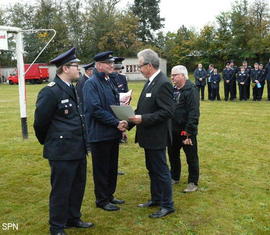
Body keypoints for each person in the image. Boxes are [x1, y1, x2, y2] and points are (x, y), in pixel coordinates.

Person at [33, 48, 93, 235]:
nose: (79, 69)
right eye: (76, 66)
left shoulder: (72, 88)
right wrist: (51, 143)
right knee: (61, 190)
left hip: (78, 148)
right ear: (65, 68)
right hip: (62, 151)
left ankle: (73, 218)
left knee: (77, 186)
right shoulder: (50, 92)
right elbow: (40, 123)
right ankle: (57, 227)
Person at [128, 49, 175, 218]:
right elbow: (142, 109)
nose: (139, 69)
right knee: (152, 169)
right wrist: (128, 122)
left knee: (161, 170)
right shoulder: (150, 82)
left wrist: (143, 119)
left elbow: (168, 112)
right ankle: (156, 199)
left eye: (140, 65)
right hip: (148, 136)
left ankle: (167, 205)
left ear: (148, 66)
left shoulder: (163, 83)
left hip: (157, 136)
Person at [83, 51, 127, 211]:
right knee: (101, 169)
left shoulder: (109, 81)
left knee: (112, 167)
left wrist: (121, 124)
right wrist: (116, 123)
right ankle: (101, 200)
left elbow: (114, 106)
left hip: (113, 132)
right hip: (99, 134)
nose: (112, 65)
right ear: (99, 65)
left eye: (112, 63)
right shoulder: (91, 84)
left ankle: (110, 195)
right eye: (108, 63)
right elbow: (95, 109)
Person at [167, 65, 200, 193]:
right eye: (171, 75)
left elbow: (194, 113)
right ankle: (174, 176)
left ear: (183, 75)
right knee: (173, 155)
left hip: (185, 131)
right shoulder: (172, 89)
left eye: (174, 75)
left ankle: (192, 182)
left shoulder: (191, 90)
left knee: (191, 157)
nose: (172, 77)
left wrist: (188, 133)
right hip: (172, 130)